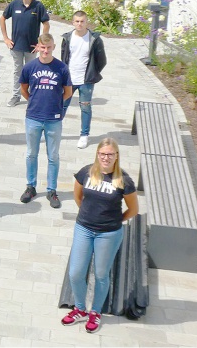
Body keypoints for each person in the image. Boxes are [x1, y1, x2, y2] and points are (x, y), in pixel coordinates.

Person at [61, 138, 138, 334]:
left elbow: (133, 210)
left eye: (110, 154)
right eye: (102, 154)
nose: (106, 157)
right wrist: (89, 214)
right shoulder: (86, 172)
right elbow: (78, 197)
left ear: (116, 156)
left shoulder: (124, 181)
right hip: (84, 228)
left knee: (102, 274)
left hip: (109, 233)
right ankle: (80, 308)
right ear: (97, 154)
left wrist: (113, 221)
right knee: (76, 273)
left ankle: (95, 312)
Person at [19, 33, 73, 208]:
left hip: (53, 119)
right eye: (42, 47)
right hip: (33, 117)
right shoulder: (30, 67)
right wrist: (34, 102)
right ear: (38, 47)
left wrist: (55, 105)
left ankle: (51, 190)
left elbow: (68, 92)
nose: (45, 51)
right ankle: (30, 186)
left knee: (53, 156)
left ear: (53, 47)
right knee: (31, 154)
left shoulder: (62, 68)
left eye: (49, 48)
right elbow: (24, 89)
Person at [61, 10, 108, 149]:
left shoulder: (94, 39)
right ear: (73, 22)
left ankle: (84, 135)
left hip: (85, 80)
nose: (80, 24)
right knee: (62, 105)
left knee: (85, 108)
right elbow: (64, 57)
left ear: (86, 22)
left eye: (82, 21)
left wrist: (92, 73)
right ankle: (55, 130)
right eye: (77, 21)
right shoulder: (67, 38)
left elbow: (102, 60)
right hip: (69, 79)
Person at [0, 0, 50, 107]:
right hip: (16, 46)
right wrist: (6, 38)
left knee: (31, 72)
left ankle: (31, 97)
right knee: (18, 71)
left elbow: (46, 24)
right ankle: (16, 96)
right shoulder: (14, 4)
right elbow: (2, 18)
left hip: (31, 47)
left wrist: (41, 43)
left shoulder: (38, 6)